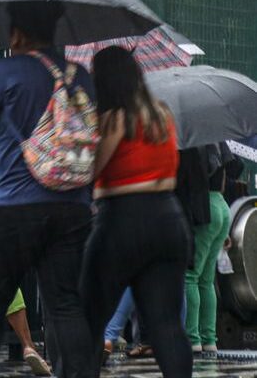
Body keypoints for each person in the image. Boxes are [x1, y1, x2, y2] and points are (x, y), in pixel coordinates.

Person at [0, 2, 97, 378]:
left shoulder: (7, 70)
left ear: (17, 33)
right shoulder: (79, 75)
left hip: (17, 206)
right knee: (65, 303)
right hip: (73, 206)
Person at [82, 45, 191, 377]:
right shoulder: (160, 113)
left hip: (122, 219)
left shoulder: (114, 117)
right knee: (167, 325)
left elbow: (93, 170)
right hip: (170, 219)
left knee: (89, 316)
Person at [185, 143, 233, 354]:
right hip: (222, 205)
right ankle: (209, 339)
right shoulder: (218, 138)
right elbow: (231, 170)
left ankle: (192, 338)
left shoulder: (195, 142)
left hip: (205, 206)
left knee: (190, 276)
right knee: (206, 279)